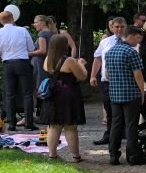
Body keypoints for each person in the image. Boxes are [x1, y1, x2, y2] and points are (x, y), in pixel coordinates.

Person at [104, 25, 146, 165]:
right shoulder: (131, 52)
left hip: (115, 94)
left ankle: (113, 155)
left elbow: (107, 74)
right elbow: (138, 75)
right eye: (137, 38)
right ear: (130, 36)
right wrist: (142, 92)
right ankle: (133, 156)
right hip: (131, 95)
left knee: (116, 125)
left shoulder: (110, 52)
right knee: (131, 126)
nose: (138, 41)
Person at [41, 33, 87, 162]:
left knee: (54, 126)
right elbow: (82, 76)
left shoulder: (47, 59)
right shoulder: (69, 61)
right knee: (70, 126)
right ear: (65, 46)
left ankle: (52, 154)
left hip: (53, 94)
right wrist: (82, 64)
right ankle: (75, 155)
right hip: (68, 94)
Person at [0, 10, 37, 131]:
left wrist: (4, 51)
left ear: (0, 21)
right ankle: (29, 123)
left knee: (10, 94)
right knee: (27, 93)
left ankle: (11, 123)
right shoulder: (22, 30)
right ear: (12, 19)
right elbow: (31, 47)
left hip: (8, 64)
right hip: (23, 62)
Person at [90, 17, 127, 145]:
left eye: (122, 27)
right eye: (116, 27)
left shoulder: (129, 41)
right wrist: (93, 75)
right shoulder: (106, 42)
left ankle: (123, 133)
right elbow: (97, 58)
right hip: (107, 81)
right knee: (109, 109)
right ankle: (110, 134)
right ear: (112, 27)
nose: (119, 29)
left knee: (123, 110)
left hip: (123, 82)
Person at [30, 15, 54, 103]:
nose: (34, 24)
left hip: (39, 63)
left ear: (43, 22)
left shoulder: (42, 34)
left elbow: (42, 50)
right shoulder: (52, 33)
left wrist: (28, 53)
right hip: (47, 62)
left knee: (38, 87)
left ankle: (32, 112)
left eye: (36, 22)